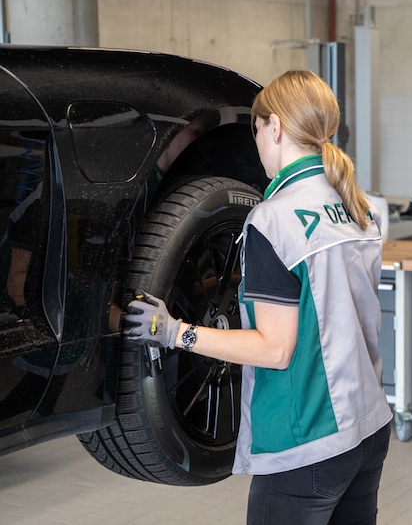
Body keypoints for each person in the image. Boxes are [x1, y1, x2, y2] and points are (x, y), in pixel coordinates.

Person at [122, 70, 392, 525]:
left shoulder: (273, 220)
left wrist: (173, 332)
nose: (257, 146)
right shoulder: (358, 205)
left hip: (308, 442)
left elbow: (275, 347)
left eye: (256, 130)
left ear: (276, 128)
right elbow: (322, 304)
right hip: (368, 427)